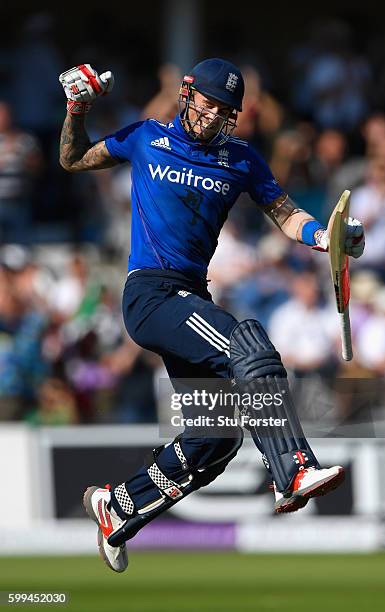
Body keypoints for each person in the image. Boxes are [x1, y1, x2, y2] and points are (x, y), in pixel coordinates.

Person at [58, 59, 365, 572]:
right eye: (207, 103)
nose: (212, 116)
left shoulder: (241, 158)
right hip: (150, 295)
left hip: (190, 297)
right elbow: (71, 158)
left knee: (215, 439)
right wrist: (77, 109)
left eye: (225, 111)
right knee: (249, 343)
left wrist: (326, 237)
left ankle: (118, 507)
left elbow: (286, 214)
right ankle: (291, 470)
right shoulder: (144, 136)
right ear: (186, 94)